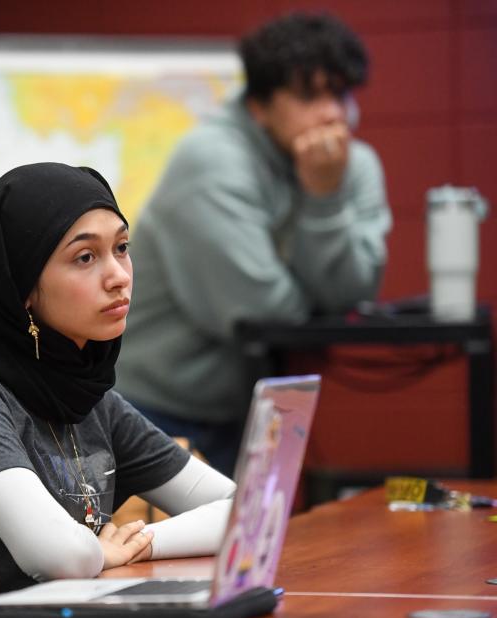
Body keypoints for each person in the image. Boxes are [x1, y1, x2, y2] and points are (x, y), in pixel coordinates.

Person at [0, 162, 236, 594]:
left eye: (122, 247)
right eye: (85, 257)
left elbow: (245, 511)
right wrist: (95, 551)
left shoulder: (84, 392)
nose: (119, 277)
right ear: (24, 289)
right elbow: (60, 556)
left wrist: (139, 544)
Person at [116, 12, 393, 475]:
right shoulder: (211, 161)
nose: (331, 113)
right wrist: (315, 287)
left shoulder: (352, 165)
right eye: (309, 95)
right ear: (258, 106)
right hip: (151, 411)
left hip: (241, 413)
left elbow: (353, 293)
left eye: (339, 93)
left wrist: (323, 198)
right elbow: (266, 313)